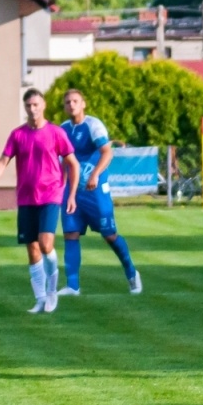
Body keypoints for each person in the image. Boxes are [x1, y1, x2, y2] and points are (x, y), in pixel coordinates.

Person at [0, 88, 80, 314]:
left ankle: (52, 289)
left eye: (36, 105)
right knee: (32, 249)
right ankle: (40, 299)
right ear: (25, 108)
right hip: (26, 198)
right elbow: (3, 161)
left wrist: (71, 194)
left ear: (43, 105)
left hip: (51, 195)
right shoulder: (17, 135)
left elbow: (73, 164)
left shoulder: (55, 133)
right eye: (28, 106)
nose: (32, 109)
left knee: (45, 245)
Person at [57, 89, 142, 296]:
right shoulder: (62, 129)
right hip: (72, 191)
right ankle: (73, 286)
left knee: (109, 235)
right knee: (70, 233)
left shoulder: (93, 125)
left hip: (94, 191)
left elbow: (107, 152)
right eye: (68, 102)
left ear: (83, 104)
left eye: (75, 101)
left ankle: (131, 273)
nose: (71, 105)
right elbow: (62, 161)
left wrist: (95, 175)